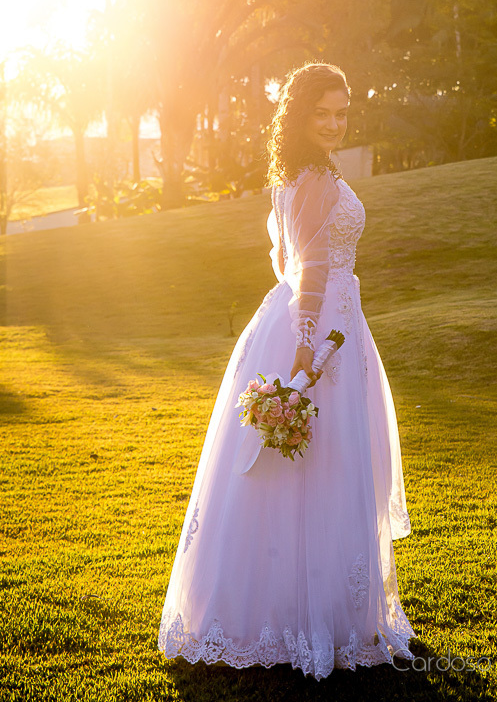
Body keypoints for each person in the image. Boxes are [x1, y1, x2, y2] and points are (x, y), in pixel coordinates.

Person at [158, 61, 416, 680]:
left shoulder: (302, 174)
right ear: (299, 117)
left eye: (342, 113)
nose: (334, 123)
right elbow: (311, 268)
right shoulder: (314, 179)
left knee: (322, 464)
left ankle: (315, 607)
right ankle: (295, 616)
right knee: (316, 462)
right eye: (321, 113)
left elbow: (285, 260)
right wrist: (305, 346)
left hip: (326, 321)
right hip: (318, 330)